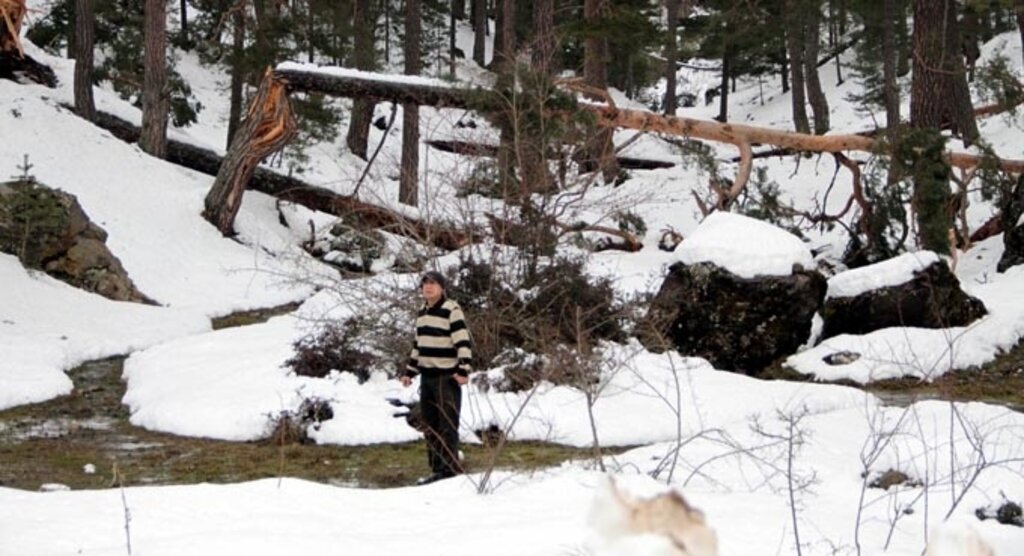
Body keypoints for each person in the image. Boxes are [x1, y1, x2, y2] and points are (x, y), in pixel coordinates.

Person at [401, 270, 472, 485]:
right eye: (425, 284)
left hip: (446, 377)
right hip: (427, 376)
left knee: (447, 424)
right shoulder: (422, 313)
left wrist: (464, 370)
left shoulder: (452, 309)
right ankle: (435, 468)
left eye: (433, 284)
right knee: (430, 424)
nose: (428, 288)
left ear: (442, 288)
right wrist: (410, 371)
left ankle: (448, 469)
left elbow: (462, 341)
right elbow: (418, 345)